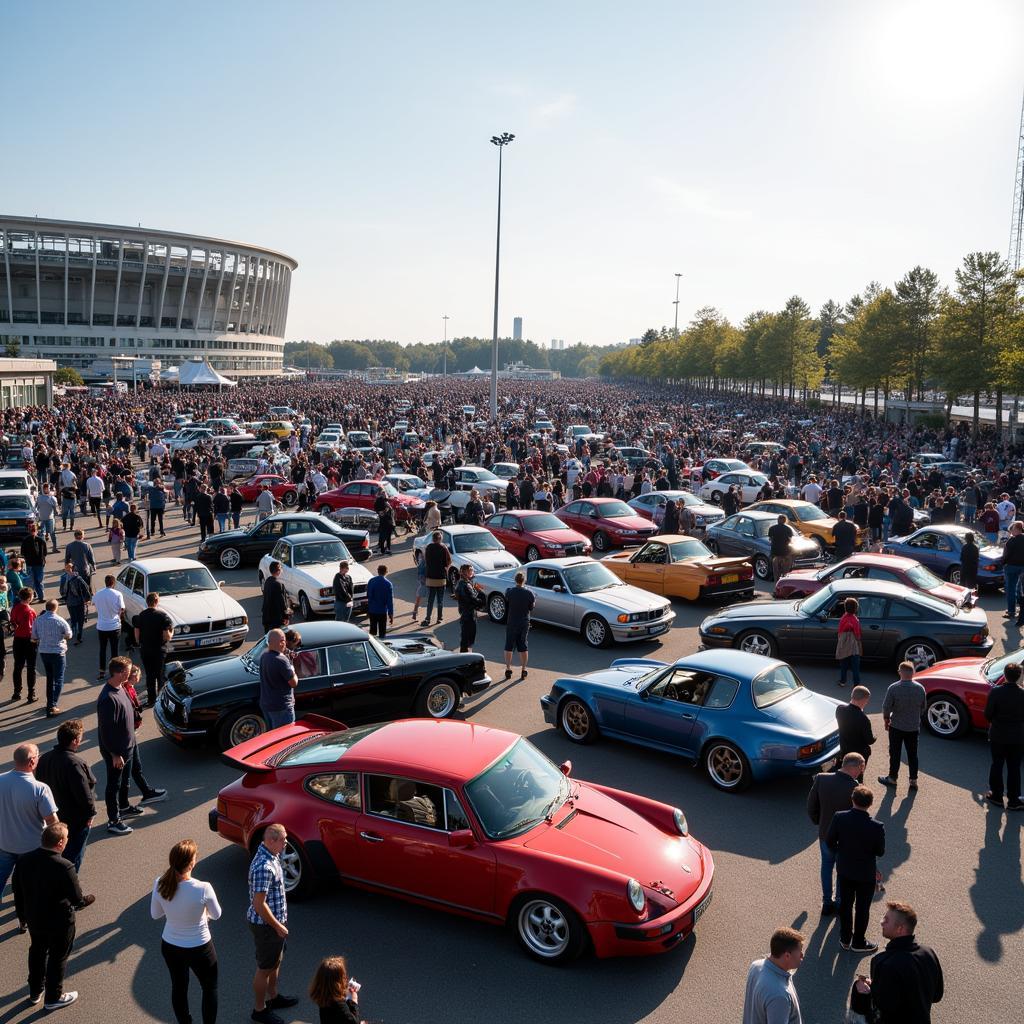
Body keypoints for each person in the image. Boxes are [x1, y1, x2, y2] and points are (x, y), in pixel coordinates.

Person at [12, 822, 95, 1011]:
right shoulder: (64, 866)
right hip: (60, 922)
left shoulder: (24, 861)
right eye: (66, 839)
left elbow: (18, 892)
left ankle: (35, 991)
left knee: (37, 952)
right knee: (58, 958)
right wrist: (89, 899)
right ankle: (53, 997)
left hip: (35, 919)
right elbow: (77, 898)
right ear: (59, 843)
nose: (67, 841)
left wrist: (22, 917)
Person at [151, 839, 222, 1024]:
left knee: (179, 987)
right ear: (192, 863)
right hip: (201, 948)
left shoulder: (159, 883)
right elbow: (217, 914)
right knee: (209, 988)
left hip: (171, 946)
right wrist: (204, 914)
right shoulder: (203, 888)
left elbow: (155, 914)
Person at [0, 743, 60, 931]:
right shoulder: (39, 789)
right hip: (32, 849)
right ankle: (26, 920)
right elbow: (52, 822)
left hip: (5, 845)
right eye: (38, 755)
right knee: (31, 888)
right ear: (32, 761)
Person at [853, 902, 943, 1023]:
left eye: (886, 920)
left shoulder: (883, 963)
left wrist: (866, 990)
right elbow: (937, 995)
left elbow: (879, 1006)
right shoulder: (929, 953)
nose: (882, 922)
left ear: (900, 929)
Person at [247, 823, 298, 1024]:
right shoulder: (264, 867)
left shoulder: (273, 855)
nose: (286, 842)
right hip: (266, 927)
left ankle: (273, 997)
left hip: (274, 924)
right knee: (264, 968)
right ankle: (259, 1010)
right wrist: (277, 926)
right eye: (283, 839)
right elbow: (259, 904)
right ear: (271, 841)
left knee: (275, 961)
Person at [826, 785, 885, 953]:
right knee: (862, 908)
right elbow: (880, 851)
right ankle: (859, 941)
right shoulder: (877, 826)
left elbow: (830, 841)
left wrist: (842, 851)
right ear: (871, 803)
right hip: (866, 874)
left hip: (845, 870)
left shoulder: (839, 817)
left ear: (852, 799)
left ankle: (845, 939)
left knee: (845, 905)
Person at [35, 720, 96, 874]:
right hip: (75, 822)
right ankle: (70, 892)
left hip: (52, 818)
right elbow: (85, 795)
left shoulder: (44, 759)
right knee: (72, 860)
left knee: (53, 854)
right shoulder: (75, 763)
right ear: (75, 741)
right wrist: (90, 815)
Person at [806, 752, 864, 915]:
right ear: (857, 767)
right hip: (845, 840)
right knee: (842, 871)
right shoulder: (855, 788)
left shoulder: (821, 778)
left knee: (826, 866)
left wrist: (820, 821)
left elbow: (811, 806)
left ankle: (826, 902)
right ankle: (839, 902)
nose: (861, 771)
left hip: (825, 834)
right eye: (861, 768)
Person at [878, 661, 927, 790]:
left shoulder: (894, 688)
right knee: (912, 754)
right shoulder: (920, 688)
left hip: (897, 727)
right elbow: (923, 707)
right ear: (913, 673)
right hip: (913, 727)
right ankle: (913, 780)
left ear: (900, 672)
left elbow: (886, 707)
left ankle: (892, 778)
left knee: (895, 753)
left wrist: (886, 720)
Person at [741, 927, 804, 1024]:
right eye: (799, 951)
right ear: (787, 956)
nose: (802, 955)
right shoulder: (779, 995)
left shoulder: (756, 966)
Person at [983, 660, 1024, 810]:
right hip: (1017, 737)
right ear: (1019, 676)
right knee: (1014, 768)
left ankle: (996, 796)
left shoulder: (996, 692)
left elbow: (987, 714)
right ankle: (1014, 800)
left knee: (997, 764)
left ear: (1005, 675)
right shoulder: (1023, 694)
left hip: (998, 735)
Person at [32, 598, 72, 717]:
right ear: (56, 608)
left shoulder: (38, 620)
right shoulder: (60, 620)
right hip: (57, 652)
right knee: (58, 678)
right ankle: (52, 705)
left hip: (44, 652)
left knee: (50, 678)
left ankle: (50, 702)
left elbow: (34, 636)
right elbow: (69, 634)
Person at [134, 591, 174, 706]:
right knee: (160, 675)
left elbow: (136, 631)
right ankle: (161, 698)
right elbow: (167, 636)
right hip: (159, 650)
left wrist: (139, 641)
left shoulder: (141, 615)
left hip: (145, 650)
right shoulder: (162, 616)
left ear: (147, 602)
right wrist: (172, 633)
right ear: (156, 601)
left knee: (149, 675)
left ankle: (151, 700)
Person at [259, 629, 298, 729]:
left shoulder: (264, 656)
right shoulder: (282, 660)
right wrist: (292, 667)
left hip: (267, 704)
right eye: (284, 641)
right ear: (281, 642)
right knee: (286, 737)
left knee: (273, 735)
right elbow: (293, 683)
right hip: (282, 707)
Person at [309, 955, 361, 1024]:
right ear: (337, 982)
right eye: (343, 976)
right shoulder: (338, 1003)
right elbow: (354, 1022)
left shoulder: (324, 994)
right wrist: (354, 1001)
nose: (346, 978)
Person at [503, 570, 535, 680]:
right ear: (524, 580)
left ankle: (508, 669)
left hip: (512, 622)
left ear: (515, 580)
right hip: (524, 622)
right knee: (523, 646)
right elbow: (531, 607)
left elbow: (507, 600)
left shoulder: (510, 592)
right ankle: (524, 669)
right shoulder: (529, 593)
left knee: (509, 646)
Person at [93, 574, 126, 678]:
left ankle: (102, 671)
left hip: (102, 626)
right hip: (114, 626)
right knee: (114, 650)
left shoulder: (98, 594)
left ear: (105, 582)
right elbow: (122, 609)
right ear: (113, 583)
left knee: (102, 649)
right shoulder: (118, 594)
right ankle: (114, 672)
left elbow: (93, 603)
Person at [837, 685, 875, 773]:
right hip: (858, 754)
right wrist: (875, 737)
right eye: (867, 700)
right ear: (864, 700)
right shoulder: (863, 719)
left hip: (844, 749)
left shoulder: (840, 709)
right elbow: (869, 740)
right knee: (857, 775)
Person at [11, 586, 38, 703]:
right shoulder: (30, 611)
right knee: (31, 667)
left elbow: (13, 621)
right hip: (29, 640)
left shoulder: (15, 608)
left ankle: (17, 692)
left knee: (18, 666)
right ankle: (31, 694)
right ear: (29, 598)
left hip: (17, 639)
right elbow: (30, 628)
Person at [453, 563, 486, 653]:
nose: (473, 572)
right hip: (468, 614)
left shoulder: (463, 583)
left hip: (466, 613)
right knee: (468, 639)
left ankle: (466, 656)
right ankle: (466, 659)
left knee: (466, 638)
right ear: (466, 572)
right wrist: (481, 596)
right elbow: (472, 599)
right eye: (471, 570)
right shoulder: (465, 585)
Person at [59, 558, 92, 645]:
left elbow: (61, 591)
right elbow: (86, 588)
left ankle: (73, 631)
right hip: (80, 601)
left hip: (70, 602)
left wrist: (65, 596)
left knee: (73, 618)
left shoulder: (63, 578)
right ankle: (79, 635)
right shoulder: (78, 578)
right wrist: (87, 598)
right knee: (80, 618)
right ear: (74, 569)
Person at [421, 530, 451, 626]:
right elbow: (449, 562)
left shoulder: (428, 547)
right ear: (440, 538)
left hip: (430, 577)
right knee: (440, 599)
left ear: (433, 539)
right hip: (441, 577)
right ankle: (439, 618)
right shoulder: (443, 548)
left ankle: (428, 618)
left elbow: (425, 560)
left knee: (430, 599)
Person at [835, 597, 862, 688]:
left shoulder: (843, 618)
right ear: (855, 609)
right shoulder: (855, 620)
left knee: (844, 666)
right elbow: (857, 635)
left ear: (845, 608)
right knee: (855, 667)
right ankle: (856, 684)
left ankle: (843, 681)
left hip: (844, 645)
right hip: (854, 646)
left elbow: (839, 632)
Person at [1001, 520, 1024, 623]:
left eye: (1012, 530)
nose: (1011, 532)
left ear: (1017, 529)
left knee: (1011, 589)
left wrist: (1003, 563)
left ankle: (1011, 612)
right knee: (1020, 590)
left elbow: (1006, 555)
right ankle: (1021, 611)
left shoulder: (1012, 541)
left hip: (1011, 567)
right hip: (1022, 567)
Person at [261, 561, 291, 635]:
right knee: (279, 637)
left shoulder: (267, 581)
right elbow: (282, 603)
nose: (281, 570)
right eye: (281, 568)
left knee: (268, 638)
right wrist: (286, 617)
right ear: (278, 571)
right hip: (276, 619)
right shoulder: (278, 585)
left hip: (267, 616)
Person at [21, 521, 48, 602]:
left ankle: (33, 597)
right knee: (38, 581)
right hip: (38, 563)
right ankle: (40, 596)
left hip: (32, 563)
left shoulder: (26, 540)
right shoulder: (40, 540)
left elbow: (23, 552)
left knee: (32, 581)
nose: (33, 532)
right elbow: (45, 553)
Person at [365, 564, 394, 638]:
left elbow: (368, 595)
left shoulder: (371, 581)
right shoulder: (388, 584)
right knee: (382, 632)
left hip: (372, 610)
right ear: (386, 572)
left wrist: (368, 609)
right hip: (382, 611)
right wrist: (391, 614)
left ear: (378, 571)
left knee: (372, 631)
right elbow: (389, 601)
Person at [767, 514, 793, 582]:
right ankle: (784, 586)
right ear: (785, 521)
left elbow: (770, 539)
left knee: (776, 573)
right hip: (785, 554)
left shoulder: (772, 528)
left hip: (775, 554)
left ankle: (777, 588)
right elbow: (790, 540)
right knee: (785, 573)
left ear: (778, 520)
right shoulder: (788, 529)